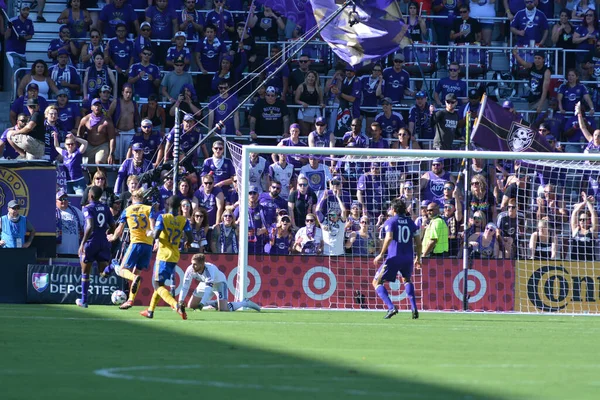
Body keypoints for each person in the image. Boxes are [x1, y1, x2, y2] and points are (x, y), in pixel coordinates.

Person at [140, 195, 192, 319]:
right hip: (174, 256)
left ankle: (176, 305)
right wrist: (187, 243)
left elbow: (156, 235)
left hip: (163, 256)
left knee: (156, 284)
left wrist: (149, 233)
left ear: (167, 205)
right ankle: (150, 311)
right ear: (179, 207)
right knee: (160, 284)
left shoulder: (162, 217)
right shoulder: (184, 220)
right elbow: (191, 237)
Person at [107, 188, 157, 309]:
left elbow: (119, 229)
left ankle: (133, 278)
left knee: (122, 269)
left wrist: (113, 237)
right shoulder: (149, 209)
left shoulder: (127, 210)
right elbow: (153, 227)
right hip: (148, 246)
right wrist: (157, 240)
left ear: (132, 198)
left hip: (136, 243)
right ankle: (130, 300)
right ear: (142, 198)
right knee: (137, 270)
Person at [373, 199, 422, 319]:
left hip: (394, 257)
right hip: (408, 257)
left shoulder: (391, 221)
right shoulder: (411, 223)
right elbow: (418, 242)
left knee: (376, 282)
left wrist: (381, 254)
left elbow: (389, 237)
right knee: (407, 279)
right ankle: (414, 308)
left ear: (393, 210)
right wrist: (418, 257)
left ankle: (391, 307)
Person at [179, 253, 261, 312]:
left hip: (219, 284)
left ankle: (244, 303)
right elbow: (185, 286)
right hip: (205, 283)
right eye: (192, 264)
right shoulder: (190, 269)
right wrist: (180, 300)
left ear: (202, 264)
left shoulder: (210, 270)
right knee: (191, 306)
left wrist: (202, 304)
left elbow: (208, 290)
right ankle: (215, 303)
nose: (192, 266)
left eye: (195, 264)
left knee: (223, 310)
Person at [76, 186, 116, 308]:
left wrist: (82, 243)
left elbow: (89, 226)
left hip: (91, 242)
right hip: (103, 242)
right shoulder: (105, 208)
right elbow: (113, 225)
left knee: (85, 272)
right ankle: (112, 266)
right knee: (103, 273)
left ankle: (84, 300)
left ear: (91, 196)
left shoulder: (87, 208)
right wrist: (107, 232)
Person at [77, 98, 117, 165]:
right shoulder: (85, 119)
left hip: (102, 145)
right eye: (95, 105)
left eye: (99, 105)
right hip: (89, 145)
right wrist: (79, 150)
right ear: (91, 107)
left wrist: (111, 153)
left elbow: (112, 138)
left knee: (99, 162)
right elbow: (79, 135)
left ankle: (102, 174)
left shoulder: (107, 121)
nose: (97, 107)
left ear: (101, 107)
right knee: (88, 167)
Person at [512, 49, 551, 115]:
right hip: (532, 99)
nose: (537, 60)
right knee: (531, 121)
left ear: (543, 60)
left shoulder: (546, 71)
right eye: (535, 58)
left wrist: (540, 105)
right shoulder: (531, 66)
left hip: (541, 99)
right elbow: (522, 62)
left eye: (539, 58)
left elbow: (545, 90)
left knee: (539, 120)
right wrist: (515, 54)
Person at [108, 84, 140, 162]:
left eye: (130, 92)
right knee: (116, 156)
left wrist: (138, 130)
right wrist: (113, 129)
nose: (128, 94)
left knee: (129, 157)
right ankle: (117, 172)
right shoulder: (116, 102)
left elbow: (137, 118)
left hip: (130, 132)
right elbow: (108, 116)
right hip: (118, 132)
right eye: (126, 92)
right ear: (122, 92)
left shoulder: (134, 104)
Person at [5, 4, 34, 83]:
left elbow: (30, 36)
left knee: (23, 75)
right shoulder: (12, 20)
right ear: (20, 10)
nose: (26, 12)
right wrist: (10, 28)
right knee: (16, 71)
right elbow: (6, 36)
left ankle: (19, 93)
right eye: (24, 10)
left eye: (27, 10)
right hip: (12, 51)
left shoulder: (30, 21)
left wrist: (23, 38)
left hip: (22, 52)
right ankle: (14, 94)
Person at [55, 190, 84, 256]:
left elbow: (84, 226)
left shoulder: (75, 211)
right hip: (59, 252)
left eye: (65, 199)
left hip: (75, 251)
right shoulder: (53, 212)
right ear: (56, 201)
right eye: (61, 199)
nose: (64, 201)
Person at [570, 192, 597, 261]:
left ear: (589, 221)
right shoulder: (576, 230)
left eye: (584, 219)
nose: (581, 221)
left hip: (589, 262)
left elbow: (593, 213)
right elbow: (574, 213)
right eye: (580, 219)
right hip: (575, 262)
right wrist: (584, 202)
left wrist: (587, 202)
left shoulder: (592, 231)